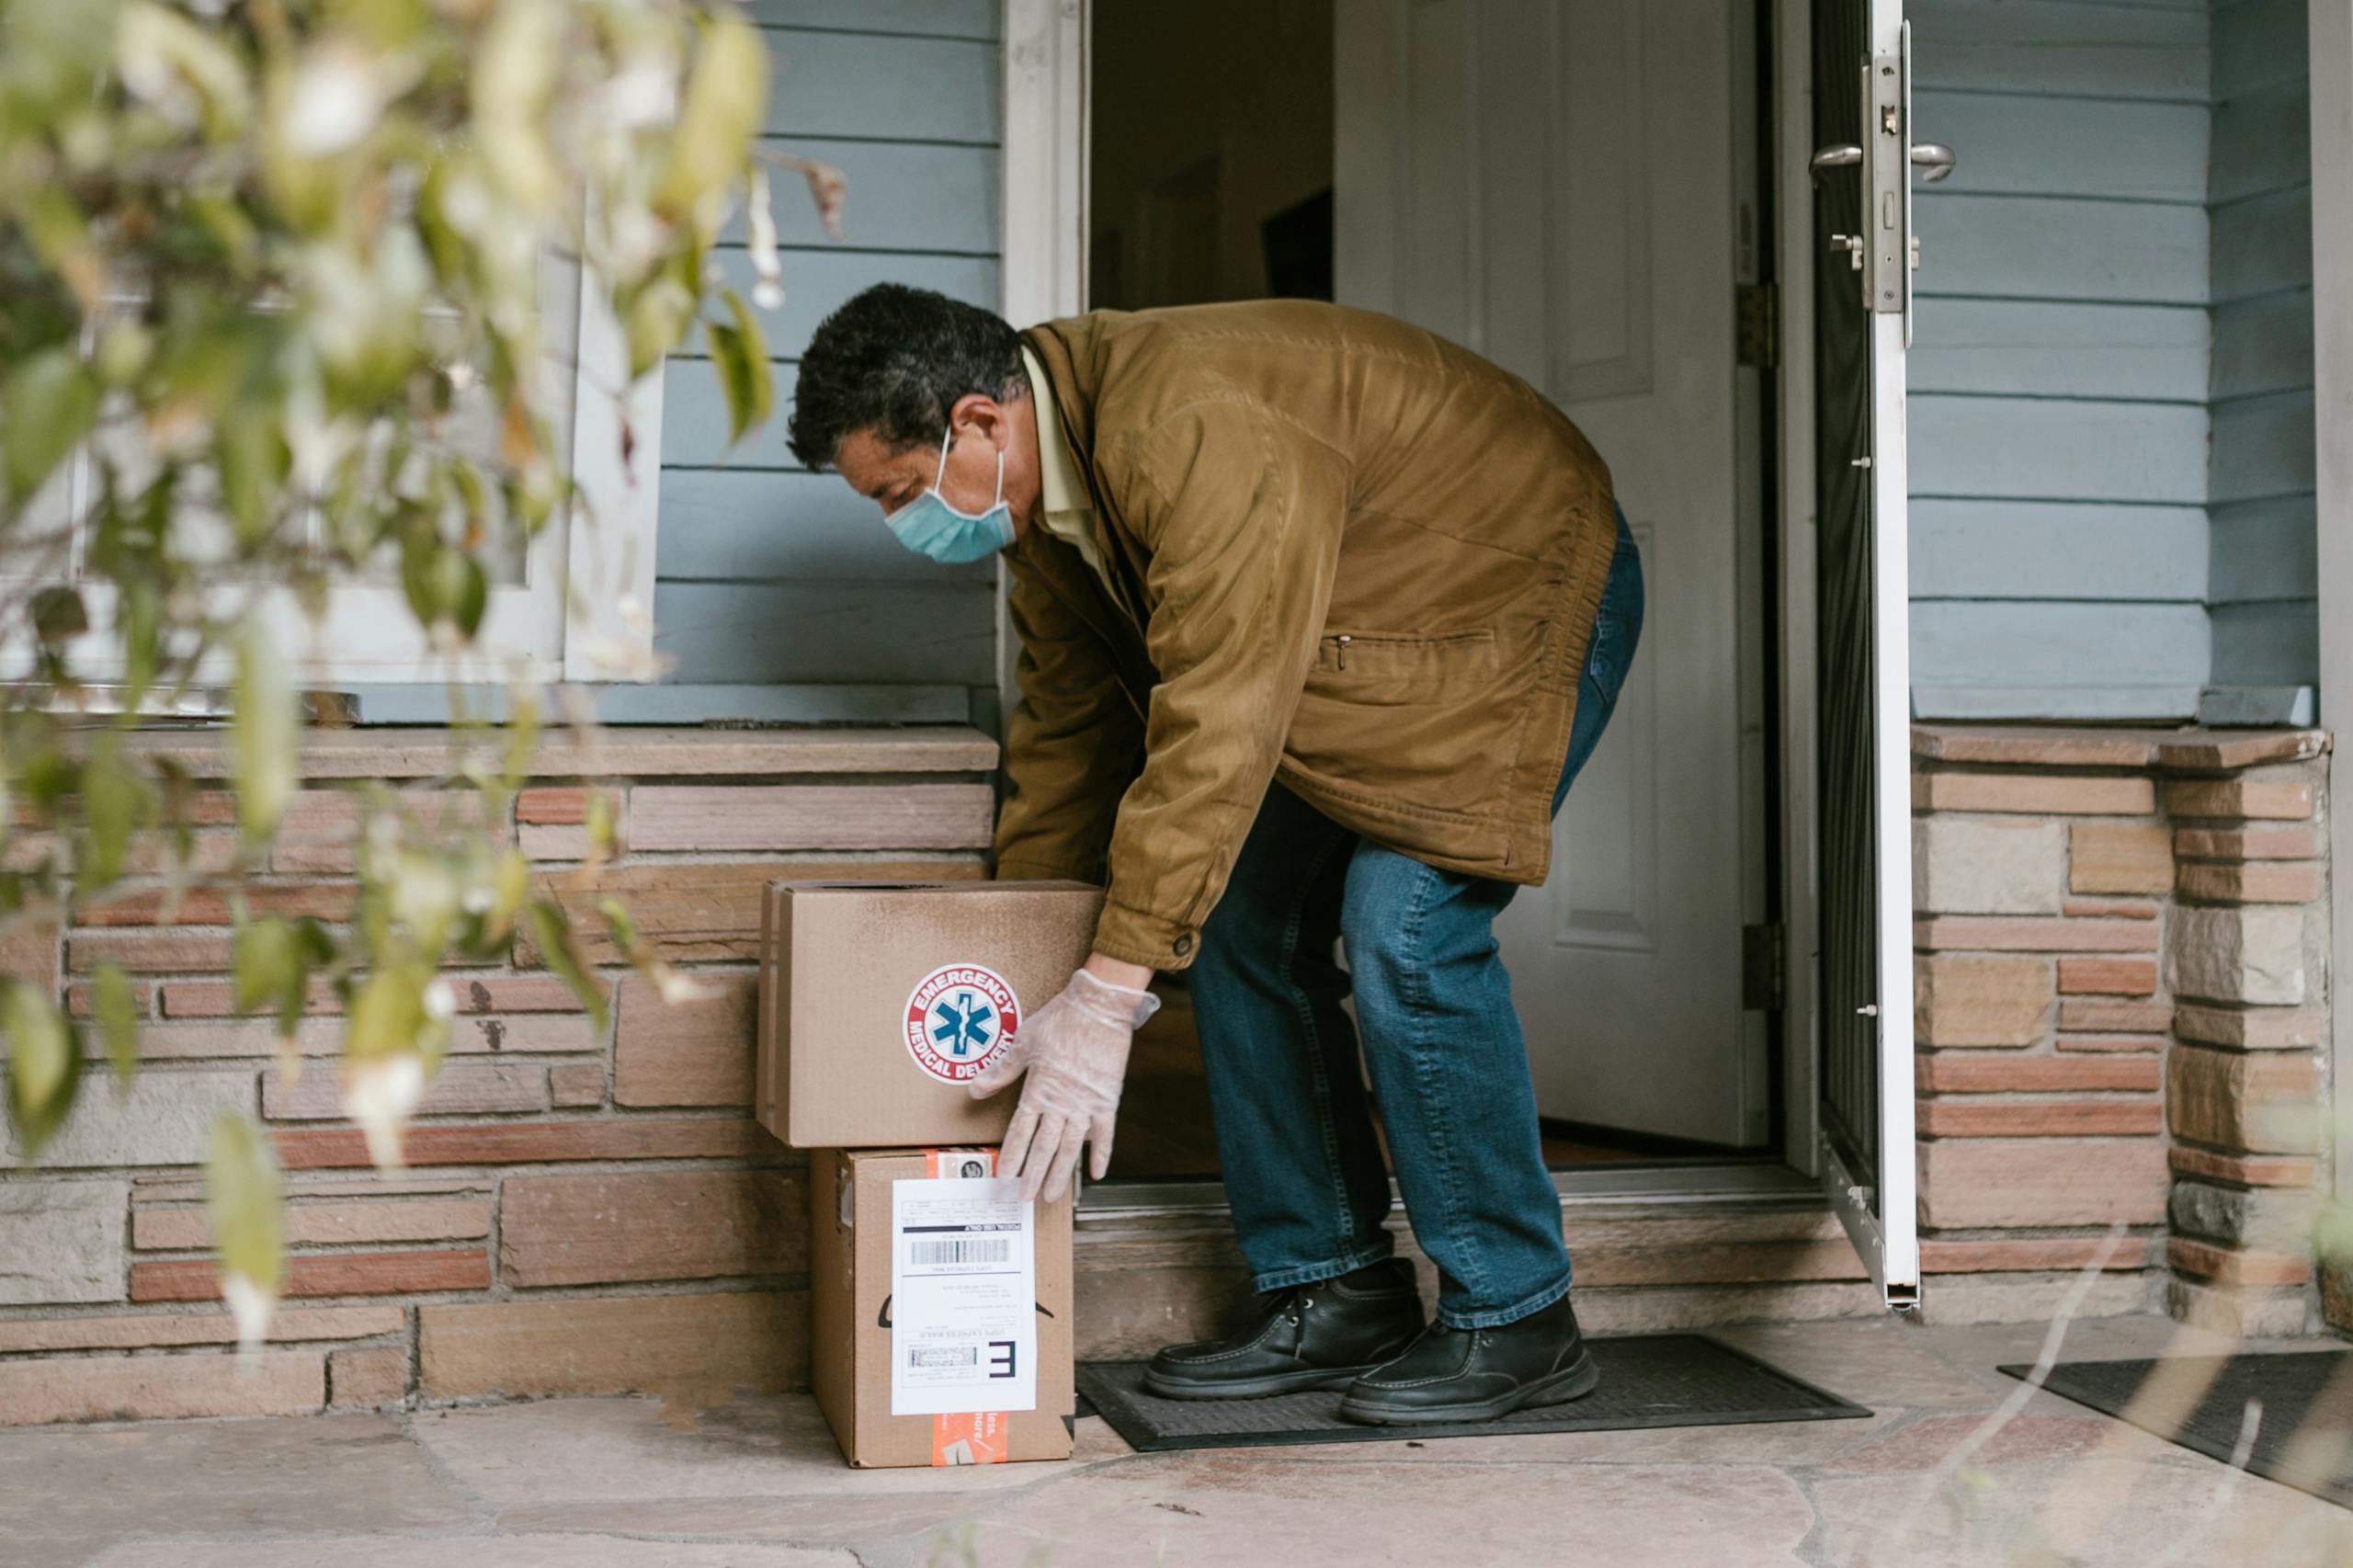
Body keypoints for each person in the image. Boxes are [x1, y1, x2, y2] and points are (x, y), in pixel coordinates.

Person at [787, 286, 1643, 1426]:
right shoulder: (1044, 515)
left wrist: (1108, 992)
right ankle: (1333, 1287)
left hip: (1512, 590)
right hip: (1348, 632)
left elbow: (1220, 717)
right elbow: (1069, 735)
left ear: (979, 425)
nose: (905, 523)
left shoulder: (1185, 423)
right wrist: (1025, 956)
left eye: (899, 492)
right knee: (1238, 916)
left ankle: (1516, 1312)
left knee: (1406, 925)